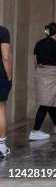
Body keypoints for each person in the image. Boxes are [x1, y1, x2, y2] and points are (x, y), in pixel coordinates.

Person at [29, 23, 56, 141]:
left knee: (49, 101)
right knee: (45, 103)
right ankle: (35, 131)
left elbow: (35, 60)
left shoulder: (39, 43)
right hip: (52, 75)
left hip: (40, 73)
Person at [0, 25, 12, 157]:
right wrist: (9, 76)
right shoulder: (3, 31)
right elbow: (6, 57)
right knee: (0, 109)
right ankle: (1, 147)